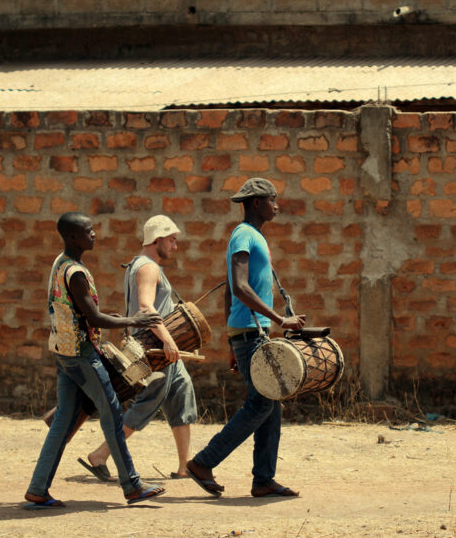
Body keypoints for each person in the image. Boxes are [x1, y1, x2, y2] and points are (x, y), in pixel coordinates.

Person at [24, 212, 165, 509]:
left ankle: (38, 488)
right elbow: (92, 316)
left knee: (63, 420)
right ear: (73, 237)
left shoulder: (60, 262)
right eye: (88, 231)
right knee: (112, 414)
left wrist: (106, 321)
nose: (94, 235)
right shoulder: (75, 272)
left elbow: (78, 312)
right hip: (82, 354)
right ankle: (132, 485)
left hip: (64, 351)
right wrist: (133, 320)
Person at [186, 177, 306, 498]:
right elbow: (239, 286)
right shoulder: (243, 234)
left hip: (250, 333)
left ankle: (264, 479)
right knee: (261, 403)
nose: (277, 205)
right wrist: (281, 318)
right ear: (256, 203)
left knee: (271, 403)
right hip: (251, 333)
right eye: (272, 199)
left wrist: (230, 341)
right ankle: (203, 462)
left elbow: (228, 289)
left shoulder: (255, 236)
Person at [80, 215, 198, 482]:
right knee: (149, 401)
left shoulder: (143, 264)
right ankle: (100, 454)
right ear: (157, 239)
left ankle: (184, 467)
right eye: (171, 240)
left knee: (183, 393)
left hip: (159, 346)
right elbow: (146, 306)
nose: (175, 246)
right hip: (154, 348)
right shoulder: (147, 267)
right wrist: (168, 340)